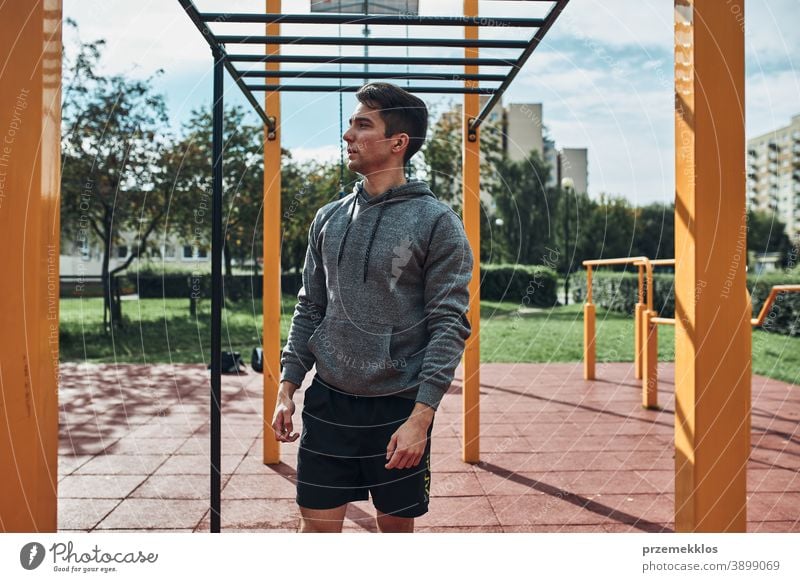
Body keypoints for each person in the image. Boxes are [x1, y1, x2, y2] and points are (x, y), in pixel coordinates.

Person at [272, 82, 473, 533]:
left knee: (394, 543)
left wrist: (422, 419)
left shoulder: (437, 223)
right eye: (350, 124)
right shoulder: (328, 217)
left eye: (363, 125)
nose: (348, 135)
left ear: (397, 142)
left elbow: (449, 325)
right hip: (328, 402)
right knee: (316, 537)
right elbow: (310, 307)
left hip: (398, 407)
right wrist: (287, 387)